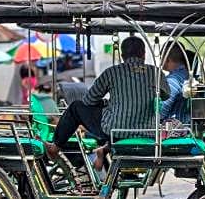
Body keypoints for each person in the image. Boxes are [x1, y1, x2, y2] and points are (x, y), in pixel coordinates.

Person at [46, 36, 169, 169]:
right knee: (109, 113)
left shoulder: (112, 72)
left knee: (76, 107)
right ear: (144, 54)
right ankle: (104, 150)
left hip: (116, 131)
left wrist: (106, 103)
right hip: (148, 131)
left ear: (122, 55)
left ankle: (56, 146)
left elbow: (89, 100)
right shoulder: (156, 73)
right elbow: (167, 95)